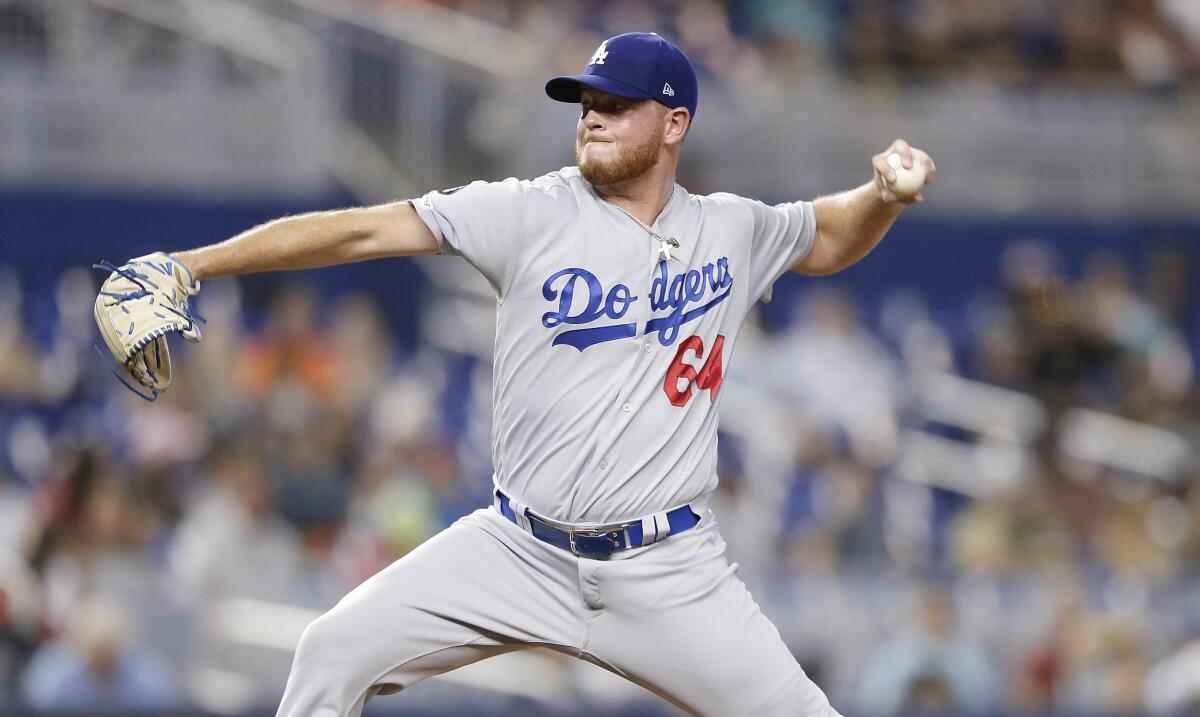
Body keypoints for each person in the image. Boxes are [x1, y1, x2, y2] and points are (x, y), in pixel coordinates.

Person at [132, 32, 935, 717]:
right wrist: (192, 264)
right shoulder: (526, 210)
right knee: (329, 649)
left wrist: (882, 195)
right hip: (518, 549)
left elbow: (827, 237)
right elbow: (357, 233)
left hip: (668, 568)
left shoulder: (730, 229)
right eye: (587, 101)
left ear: (674, 123)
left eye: (618, 104)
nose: (593, 115)